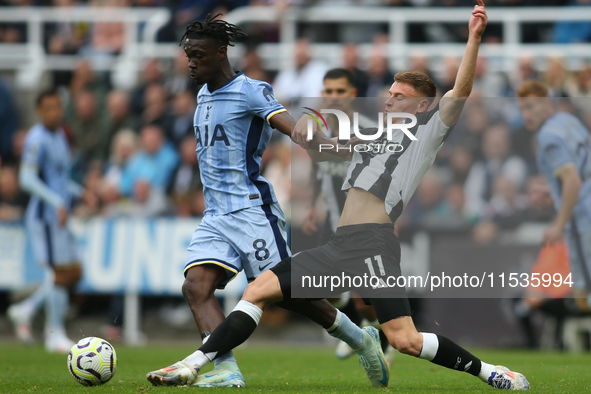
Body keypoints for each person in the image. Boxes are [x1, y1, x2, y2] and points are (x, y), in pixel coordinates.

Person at [148, 2, 531, 391]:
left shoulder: (426, 133)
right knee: (259, 289)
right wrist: (311, 135)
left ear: (421, 105)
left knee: (405, 340)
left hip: (374, 244)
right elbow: (324, 150)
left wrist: (474, 38)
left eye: (399, 95)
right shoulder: (371, 134)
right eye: (389, 92)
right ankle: (199, 365)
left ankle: (491, 372)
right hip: (340, 243)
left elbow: (460, 91)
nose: (389, 99)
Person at [146, 14, 389, 388]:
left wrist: (336, 145)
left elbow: (294, 129)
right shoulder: (202, 94)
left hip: (251, 210)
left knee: (286, 294)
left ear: (221, 51)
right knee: (196, 287)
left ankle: (360, 338)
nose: (190, 63)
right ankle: (226, 370)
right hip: (215, 214)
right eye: (188, 55)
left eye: (198, 55)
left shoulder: (251, 90)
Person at [7, 89, 96, 353]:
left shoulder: (59, 135)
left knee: (74, 272)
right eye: (49, 109)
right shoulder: (37, 138)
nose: (54, 113)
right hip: (45, 216)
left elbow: (58, 178)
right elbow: (27, 178)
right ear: (39, 111)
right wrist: (56, 201)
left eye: (57, 107)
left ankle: (26, 309)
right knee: (60, 273)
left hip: (59, 215)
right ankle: (54, 334)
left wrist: (80, 192)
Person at [517, 79, 591, 313]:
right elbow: (582, 169)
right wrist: (554, 190)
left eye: (531, 107)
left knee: (584, 294)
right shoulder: (568, 121)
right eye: (522, 109)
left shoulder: (547, 137)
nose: (526, 114)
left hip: (583, 220)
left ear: (546, 103)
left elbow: (572, 179)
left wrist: (559, 224)